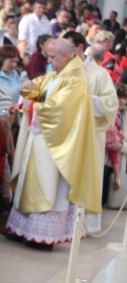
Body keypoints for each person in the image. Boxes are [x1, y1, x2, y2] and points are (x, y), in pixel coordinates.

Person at [5, 39, 101, 249]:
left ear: (65, 56)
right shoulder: (56, 74)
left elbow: (60, 111)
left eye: (52, 57)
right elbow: (39, 89)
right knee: (30, 181)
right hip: (40, 140)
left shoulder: (76, 78)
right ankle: (23, 229)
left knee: (48, 185)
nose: (48, 61)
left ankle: (43, 237)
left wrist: (32, 107)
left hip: (55, 145)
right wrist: (27, 90)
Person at [65, 33, 119, 233]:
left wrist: (86, 98)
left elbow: (111, 105)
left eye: (69, 46)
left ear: (80, 48)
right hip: (67, 135)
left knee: (86, 176)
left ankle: (84, 226)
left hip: (90, 135)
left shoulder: (99, 74)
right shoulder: (63, 71)